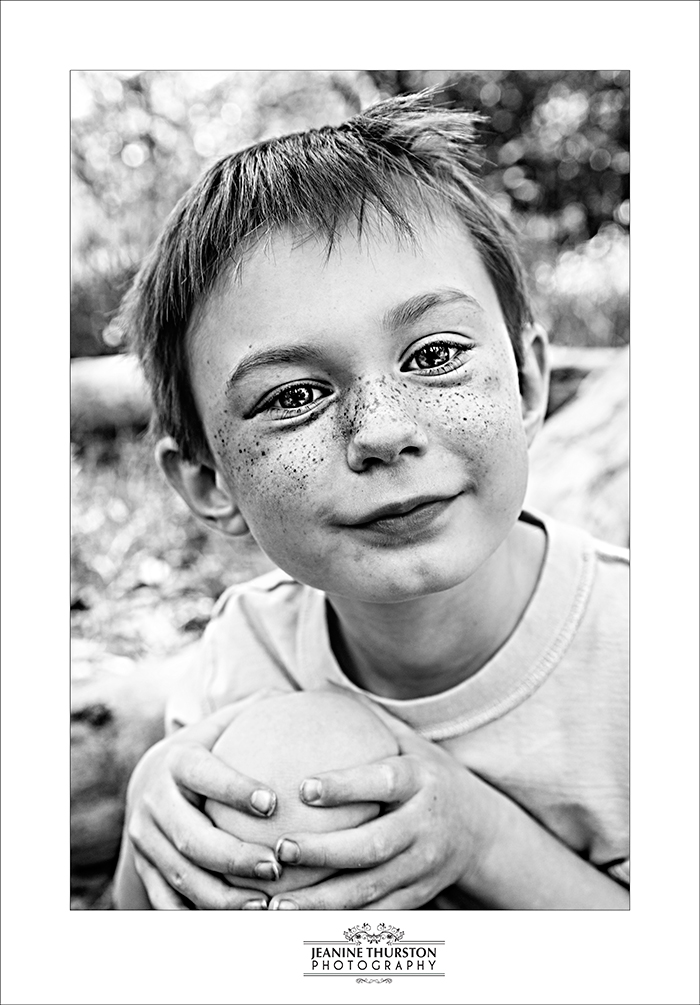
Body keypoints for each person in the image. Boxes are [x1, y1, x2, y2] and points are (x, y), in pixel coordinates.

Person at [113, 92, 629, 911]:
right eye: (292, 396)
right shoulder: (248, 654)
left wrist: (483, 837)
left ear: (529, 382)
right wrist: (150, 815)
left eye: (434, 354)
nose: (381, 431)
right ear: (210, 482)